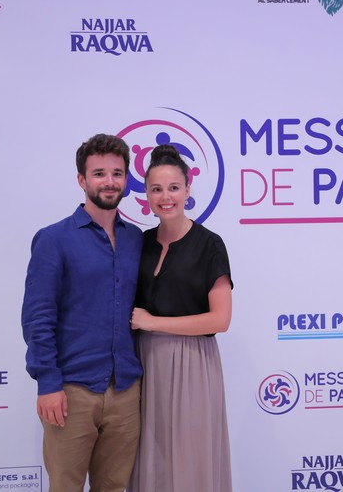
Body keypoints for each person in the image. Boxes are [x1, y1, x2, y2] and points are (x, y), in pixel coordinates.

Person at [21, 134, 143, 492]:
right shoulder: (54, 239)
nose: (110, 181)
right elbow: (38, 316)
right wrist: (47, 383)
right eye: (99, 173)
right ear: (81, 179)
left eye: (117, 173)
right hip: (71, 391)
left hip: (126, 391)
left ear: (126, 179)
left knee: (114, 488)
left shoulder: (137, 240)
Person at [128, 144, 233, 492]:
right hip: (145, 365)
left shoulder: (209, 245)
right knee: (150, 460)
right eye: (156, 189)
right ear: (146, 195)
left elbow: (220, 320)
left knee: (190, 459)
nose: (165, 197)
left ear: (188, 190)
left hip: (193, 367)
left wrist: (153, 323)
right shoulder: (140, 243)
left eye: (173, 188)